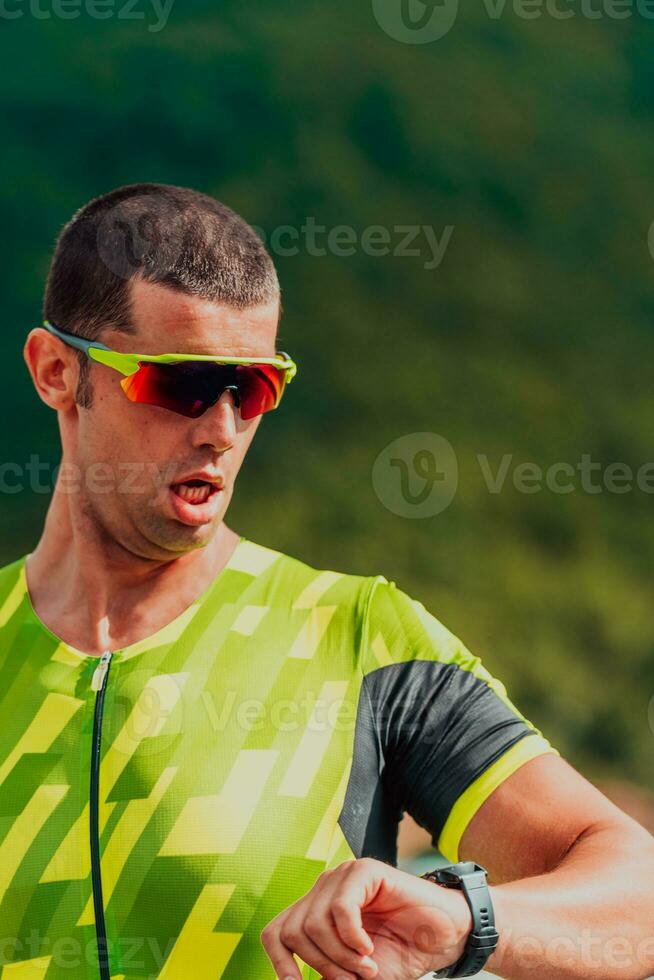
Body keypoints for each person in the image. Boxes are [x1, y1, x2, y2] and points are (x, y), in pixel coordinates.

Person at [0, 182, 651, 980]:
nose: (223, 428)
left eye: (256, 387)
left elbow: (640, 900)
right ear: (57, 372)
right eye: (181, 384)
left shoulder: (359, 636)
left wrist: (462, 917)